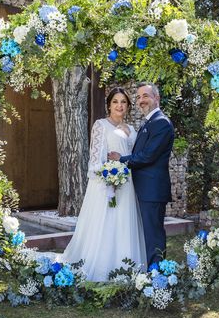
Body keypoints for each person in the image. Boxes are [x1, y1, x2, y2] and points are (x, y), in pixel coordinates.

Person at [60, 87, 147, 281]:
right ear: (109, 105)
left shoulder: (132, 130)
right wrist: (108, 177)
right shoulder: (101, 125)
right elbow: (95, 160)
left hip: (127, 185)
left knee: (124, 224)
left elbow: (134, 157)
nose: (119, 105)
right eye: (115, 101)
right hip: (106, 185)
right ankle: (101, 268)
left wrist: (122, 174)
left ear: (128, 106)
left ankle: (125, 269)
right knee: (106, 225)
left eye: (123, 102)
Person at [108, 83, 174, 267]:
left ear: (157, 98)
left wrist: (122, 159)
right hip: (144, 189)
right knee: (147, 233)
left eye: (145, 96)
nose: (141, 100)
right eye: (138, 97)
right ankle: (150, 270)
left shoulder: (161, 122)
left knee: (153, 234)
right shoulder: (150, 122)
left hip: (152, 190)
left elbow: (148, 155)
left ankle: (157, 274)